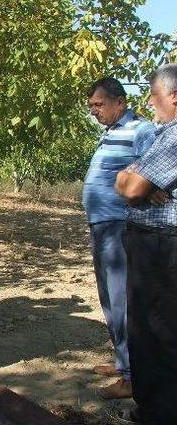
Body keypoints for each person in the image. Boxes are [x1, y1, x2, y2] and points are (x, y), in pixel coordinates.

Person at [82, 77, 156, 400]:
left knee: (121, 301)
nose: (94, 111)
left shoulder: (141, 130)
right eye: (91, 107)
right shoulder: (111, 131)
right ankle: (121, 360)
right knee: (108, 300)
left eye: (99, 105)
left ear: (120, 103)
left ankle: (130, 377)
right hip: (100, 225)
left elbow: (152, 172)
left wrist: (153, 191)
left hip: (118, 226)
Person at [114, 63, 177, 425]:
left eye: (154, 96)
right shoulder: (162, 135)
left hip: (162, 248)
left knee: (158, 331)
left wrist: (136, 182)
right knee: (148, 328)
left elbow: (132, 187)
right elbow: (129, 179)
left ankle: (158, 413)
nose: (150, 103)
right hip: (152, 244)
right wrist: (133, 180)